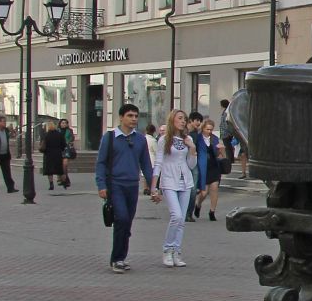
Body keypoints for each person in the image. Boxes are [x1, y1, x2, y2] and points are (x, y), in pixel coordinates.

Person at [96, 103, 159, 272]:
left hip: (132, 186)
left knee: (127, 223)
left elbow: (146, 164)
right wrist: (101, 185)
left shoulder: (140, 139)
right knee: (121, 219)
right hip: (115, 185)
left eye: (136, 116)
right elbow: (101, 163)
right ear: (121, 117)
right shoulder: (110, 137)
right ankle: (117, 258)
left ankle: (120, 257)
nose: (134, 119)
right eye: (130, 116)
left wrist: (153, 188)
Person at [152, 109, 197, 268]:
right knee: (176, 215)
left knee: (181, 220)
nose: (183, 121)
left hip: (185, 181)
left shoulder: (188, 139)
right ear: (172, 120)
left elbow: (191, 165)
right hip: (169, 181)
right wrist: (153, 187)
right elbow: (158, 163)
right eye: (180, 118)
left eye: (185, 119)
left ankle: (176, 251)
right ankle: (167, 249)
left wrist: (192, 149)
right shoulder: (165, 139)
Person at [191, 115, 227, 222]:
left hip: (214, 166)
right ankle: (198, 204)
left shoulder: (215, 139)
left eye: (211, 129)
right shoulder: (198, 138)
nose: (209, 131)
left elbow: (222, 156)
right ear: (203, 128)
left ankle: (212, 212)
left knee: (214, 189)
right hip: (203, 167)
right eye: (207, 129)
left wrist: (222, 150)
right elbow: (193, 150)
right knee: (203, 192)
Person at [41, 119, 71, 191]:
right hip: (57, 154)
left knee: (49, 171)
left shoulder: (46, 135)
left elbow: (43, 145)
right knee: (60, 170)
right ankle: (64, 183)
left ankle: (51, 184)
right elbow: (63, 145)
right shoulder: (59, 134)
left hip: (48, 154)